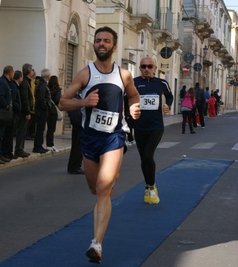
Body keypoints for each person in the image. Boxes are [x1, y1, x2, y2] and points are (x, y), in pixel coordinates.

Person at [58, 26, 140, 264]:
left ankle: (96, 244)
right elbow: (63, 102)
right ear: (94, 45)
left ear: (114, 47)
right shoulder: (85, 74)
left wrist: (134, 106)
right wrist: (84, 101)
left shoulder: (124, 75)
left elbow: (133, 95)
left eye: (106, 41)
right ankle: (106, 183)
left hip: (114, 136)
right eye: (98, 40)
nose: (101, 43)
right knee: (96, 189)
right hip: (90, 137)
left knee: (104, 188)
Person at [133, 56, 174, 205]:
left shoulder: (162, 83)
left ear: (155, 69)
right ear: (140, 68)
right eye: (143, 66)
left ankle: (152, 187)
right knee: (143, 158)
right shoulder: (134, 82)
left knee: (148, 153)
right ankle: (148, 185)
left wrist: (167, 105)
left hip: (156, 126)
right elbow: (127, 100)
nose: (146, 69)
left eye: (150, 66)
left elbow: (170, 96)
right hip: (139, 126)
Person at [14, 63, 34, 158]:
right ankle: (19, 149)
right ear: (29, 71)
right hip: (23, 111)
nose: (33, 71)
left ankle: (20, 148)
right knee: (21, 130)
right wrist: (27, 111)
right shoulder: (25, 83)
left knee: (23, 130)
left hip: (24, 110)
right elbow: (24, 98)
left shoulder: (27, 82)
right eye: (32, 69)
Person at [2, 70, 22, 160]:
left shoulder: (14, 85)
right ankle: (7, 152)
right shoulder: (13, 86)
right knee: (9, 134)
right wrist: (18, 108)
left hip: (13, 113)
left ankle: (9, 153)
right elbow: (13, 100)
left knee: (10, 134)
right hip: (12, 114)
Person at [33, 68, 52, 154]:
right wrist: (46, 107)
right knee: (40, 128)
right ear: (48, 76)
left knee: (41, 128)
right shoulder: (42, 85)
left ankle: (39, 145)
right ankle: (38, 146)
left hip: (41, 109)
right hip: (41, 110)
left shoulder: (41, 83)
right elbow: (41, 98)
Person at [67, 94, 84, 175]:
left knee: (75, 146)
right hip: (79, 124)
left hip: (76, 124)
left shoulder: (75, 97)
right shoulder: (79, 98)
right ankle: (75, 166)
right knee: (78, 147)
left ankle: (73, 166)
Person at [46, 75, 62, 152]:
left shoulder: (47, 88)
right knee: (52, 129)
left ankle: (48, 144)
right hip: (53, 111)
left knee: (48, 128)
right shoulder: (58, 90)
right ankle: (50, 144)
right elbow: (57, 100)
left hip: (46, 110)